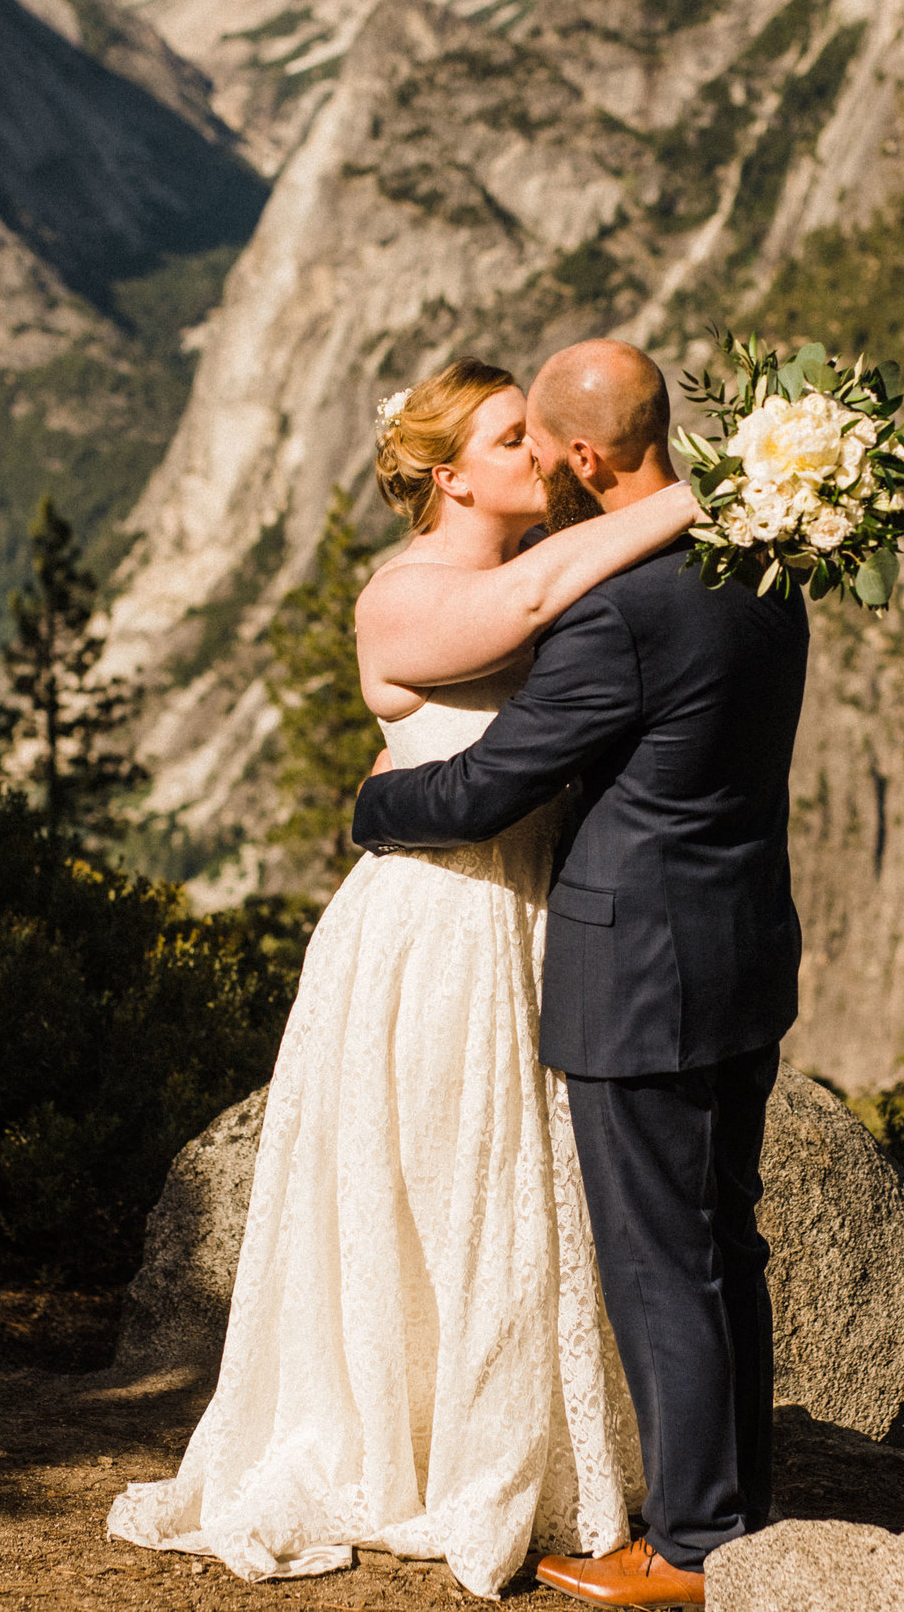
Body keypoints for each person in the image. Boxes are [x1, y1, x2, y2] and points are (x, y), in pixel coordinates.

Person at [106, 357, 704, 1598]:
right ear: (446, 474)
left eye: (539, 436)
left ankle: (514, 1447)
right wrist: (731, 495)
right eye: (508, 440)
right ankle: (402, 1450)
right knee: (439, 1188)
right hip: (436, 928)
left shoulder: (555, 569)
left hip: (544, 912)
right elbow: (537, 593)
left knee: (526, 1198)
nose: (540, 455)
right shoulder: (407, 596)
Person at [353, 339, 811, 1609]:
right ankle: (739, 1503)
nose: (540, 469)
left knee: (660, 1254)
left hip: (636, 968)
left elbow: (503, 782)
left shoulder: (617, 607)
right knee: (724, 1236)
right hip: (743, 949)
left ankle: (692, 1544)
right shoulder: (765, 562)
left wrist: (374, 811)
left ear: (587, 457)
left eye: (544, 448)